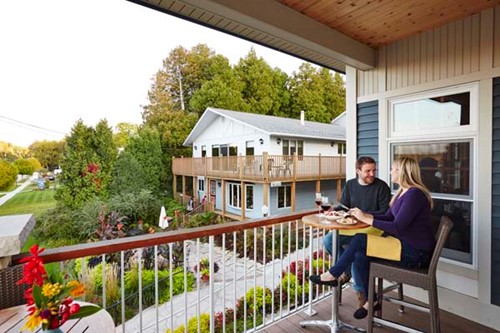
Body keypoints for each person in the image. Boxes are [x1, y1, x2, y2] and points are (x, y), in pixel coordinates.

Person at [310, 157, 436, 320]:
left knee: (361, 240)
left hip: (416, 253)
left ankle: (334, 274)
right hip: (402, 245)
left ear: (402, 172)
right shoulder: (403, 193)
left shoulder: (414, 195)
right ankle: (372, 300)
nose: (390, 172)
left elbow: (397, 226)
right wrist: (363, 215)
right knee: (359, 253)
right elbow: (387, 216)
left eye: (393, 169)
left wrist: (367, 219)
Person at [323, 156, 391, 311]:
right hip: (353, 228)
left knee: (354, 252)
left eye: (374, 170)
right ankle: (346, 270)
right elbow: (344, 207)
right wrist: (333, 211)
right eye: (368, 171)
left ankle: (361, 293)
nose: (372, 174)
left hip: (374, 229)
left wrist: (364, 214)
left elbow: (385, 213)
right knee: (328, 241)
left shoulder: (382, 187)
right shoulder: (350, 185)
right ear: (358, 171)